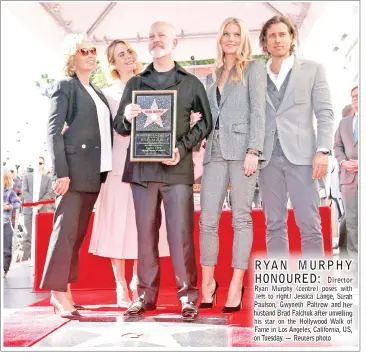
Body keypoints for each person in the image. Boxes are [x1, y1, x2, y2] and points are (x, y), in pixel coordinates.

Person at [114, 21, 212, 321]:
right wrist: (128, 118)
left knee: (181, 235)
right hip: (142, 174)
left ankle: (188, 298)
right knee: (145, 236)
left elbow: (206, 123)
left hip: (176, 171)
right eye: (152, 36)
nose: (156, 40)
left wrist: (181, 148)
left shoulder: (192, 82)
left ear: (175, 42)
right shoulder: (135, 83)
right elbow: (119, 126)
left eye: (162, 35)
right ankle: (144, 296)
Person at [88, 39, 170, 307]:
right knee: (116, 224)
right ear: (112, 63)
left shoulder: (151, 87)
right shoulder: (106, 94)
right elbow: (103, 130)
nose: (128, 57)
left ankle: (138, 279)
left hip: (146, 166)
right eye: (120, 54)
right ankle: (120, 284)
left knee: (141, 225)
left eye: (130, 52)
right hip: (117, 164)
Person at [40, 33, 113, 319]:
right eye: (84, 51)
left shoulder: (94, 89)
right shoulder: (65, 86)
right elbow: (53, 130)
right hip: (73, 171)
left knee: (75, 235)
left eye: (94, 50)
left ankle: (64, 291)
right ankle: (58, 294)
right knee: (65, 233)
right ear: (72, 56)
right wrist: (62, 172)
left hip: (93, 173)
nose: (91, 54)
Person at [198, 17, 266, 313]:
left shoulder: (254, 68)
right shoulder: (210, 74)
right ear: (219, 38)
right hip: (213, 152)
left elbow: (259, 112)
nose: (230, 39)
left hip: (242, 152)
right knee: (207, 220)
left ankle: (237, 285)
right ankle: (208, 284)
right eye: (226, 33)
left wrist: (254, 149)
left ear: (243, 38)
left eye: (236, 34)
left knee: (241, 218)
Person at [258, 16, 334, 257]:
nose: (277, 39)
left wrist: (323, 150)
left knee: (310, 225)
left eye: (282, 34)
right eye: (272, 36)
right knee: (274, 227)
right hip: (268, 159)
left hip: (303, 159)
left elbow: (325, 112)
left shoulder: (312, 69)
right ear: (265, 42)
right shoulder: (257, 74)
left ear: (292, 37)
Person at [334, 86, 358, 265]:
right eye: (354, 97)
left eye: (360, 96)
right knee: (352, 224)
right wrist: (343, 162)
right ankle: (354, 267)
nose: (356, 100)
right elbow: (337, 147)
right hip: (348, 181)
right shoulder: (344, 124)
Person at [21, 156, 53, 261]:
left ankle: (40, 258)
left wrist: (41, 203)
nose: (39, 165)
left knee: (41, 235)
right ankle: (26, 258)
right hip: (28, 210)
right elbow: (24, 192)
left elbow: (48, 193)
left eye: (41, 163)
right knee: (28, 235)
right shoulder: (27, 177)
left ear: (43, 165)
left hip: (42, 210)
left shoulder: (47, 179)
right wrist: (34, 203)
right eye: (37, 163)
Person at [3, 170, 22, 278]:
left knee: (6, 249)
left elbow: (18, 203)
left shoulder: (10, 192)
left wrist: (8, 206)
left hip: (5, 223)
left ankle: (4, 270)